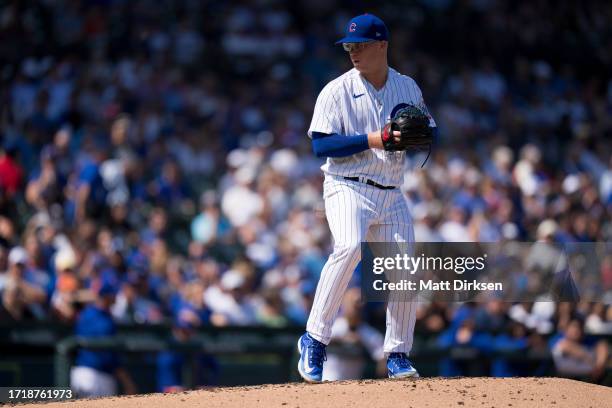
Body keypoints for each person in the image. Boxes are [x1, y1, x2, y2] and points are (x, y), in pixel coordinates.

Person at [297, 13, 436, 382]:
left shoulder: (407, 87)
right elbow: (320, 145)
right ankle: (314, 338)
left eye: (360, 45)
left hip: (391, 191)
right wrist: (374, 138)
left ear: (382, 46)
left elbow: (430, 133)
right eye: (349, 46)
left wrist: (417, 136)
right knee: (349, 247)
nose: (353, 51)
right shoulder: (336, 90)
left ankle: (397, 353)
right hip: (347, 185)